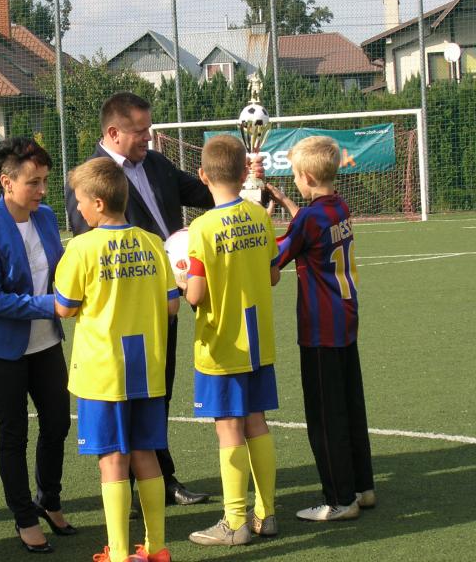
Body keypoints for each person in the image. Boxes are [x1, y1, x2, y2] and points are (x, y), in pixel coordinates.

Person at [65, 91, 211, 507]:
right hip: (120, 317)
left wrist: (240, 179)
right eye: (140, 130)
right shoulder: (90, 178)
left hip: (165, 302)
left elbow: (202, 193)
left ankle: (161, 479)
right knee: (123, 401)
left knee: (157, 393)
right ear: (113, 132)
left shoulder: (157, 163)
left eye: (149, 128)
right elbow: (89, 243)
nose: (148, 137)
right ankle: (128, 490)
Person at [55, 157, 179, 562]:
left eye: (79, 201)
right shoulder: (152, 242)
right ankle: (157, 548)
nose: (77, 208)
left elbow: (65, 307)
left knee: (112, 460)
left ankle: (121, 553)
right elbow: (172, 305)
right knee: (146, 455)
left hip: (103, 371)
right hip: (146, 368)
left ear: (98, 203)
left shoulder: (81, 248)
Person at [0, 137, 75, 554]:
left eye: (45, 181)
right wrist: (50, 304)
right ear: (6, 182)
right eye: (33, 182)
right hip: (2, 349)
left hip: (46, 343)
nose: (42, 191)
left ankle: (49, 500)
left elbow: (61, 269)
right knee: (14, 433)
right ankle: (24, 516)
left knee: (58, 423)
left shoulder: (45, 217)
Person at [266, 136, 375, 521]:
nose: (295, 181)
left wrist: (260, 222)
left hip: (320, 328)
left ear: (308, 177)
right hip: (345, 320)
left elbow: (277, 255)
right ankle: (362, 486)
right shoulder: (338, 206)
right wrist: (286, 202)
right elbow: (310, 225)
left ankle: (339, 499)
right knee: (351, 405)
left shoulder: (309, 220)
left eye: (296, 176)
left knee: (325, 417)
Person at [182, 135, 280, 547]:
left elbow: (195, 295)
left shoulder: (201, 228)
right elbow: (273, 275)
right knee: (257, 422)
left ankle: (235, 522)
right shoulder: (259, 215)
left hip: (223, 342)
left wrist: (180, 281)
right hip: (259, 339)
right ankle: (266, 513)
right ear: (244, 174)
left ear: (203, 176)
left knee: (228, 429)